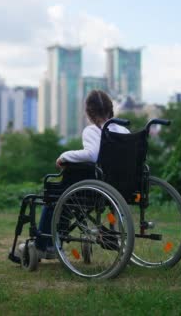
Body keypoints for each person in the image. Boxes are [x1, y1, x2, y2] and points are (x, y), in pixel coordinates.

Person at [33, 90, 130, 257]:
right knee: (66, 198)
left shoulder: (92, 130)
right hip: (121, 187)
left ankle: (45, 246)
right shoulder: (123, 131)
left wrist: (64, 156)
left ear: (89, 112)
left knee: (53, 199)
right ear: (110, 108)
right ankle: (53, 243)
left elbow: (92, 155)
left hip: (97, 187)